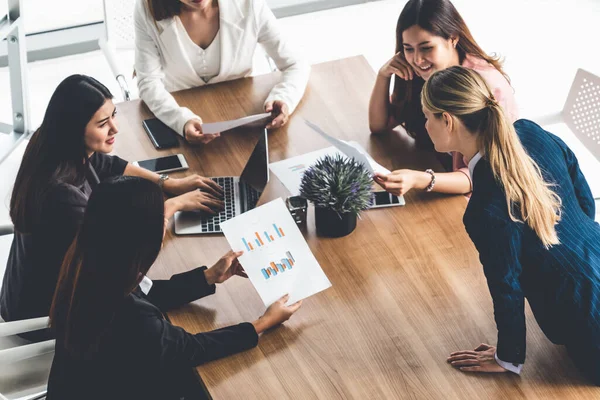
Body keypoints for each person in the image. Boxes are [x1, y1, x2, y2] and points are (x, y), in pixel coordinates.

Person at [0, 75, 223, 340]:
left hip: (23, 293)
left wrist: (168, 183)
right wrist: (172, 206)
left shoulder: (53, 148)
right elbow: (124, 258)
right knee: (161, 331)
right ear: (74, 129)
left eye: (113, 116)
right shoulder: (62, 198)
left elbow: (110, 165)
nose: (115, 128)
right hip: (43, 320)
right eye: (103, 124)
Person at [46, 176, 301, 399]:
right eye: (161, 218)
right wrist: (262, 324)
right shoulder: (134, 317)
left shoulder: (89, 268)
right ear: (144, 237)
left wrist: (210, 276)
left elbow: (150, 293)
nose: (165, 224)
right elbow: (191, 349)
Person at [421, 66, 600, 384]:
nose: (425, 125)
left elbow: (507, 287)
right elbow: (584, 201)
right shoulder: (530, 131)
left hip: (586, 316)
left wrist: (508, 357)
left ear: (447, 120)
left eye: (427, 117)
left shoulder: (484, 209)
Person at [369, 0, 518, 197]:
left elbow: (483, 174)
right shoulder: (421, 73)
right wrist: (383, 75)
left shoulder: (485, 89)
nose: (417, 60)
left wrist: (420, 179)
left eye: (426, 48)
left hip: (482, 196)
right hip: (439, 167)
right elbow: (379, 125)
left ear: (453, 38)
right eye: (408, 48)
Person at [134, 0, 310, 144]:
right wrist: (181, 121)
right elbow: (148, 82)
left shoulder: (248, 4)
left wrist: (284, 97)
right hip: (179, 120)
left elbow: (295, 63)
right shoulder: (146, 9)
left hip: (242, 124)